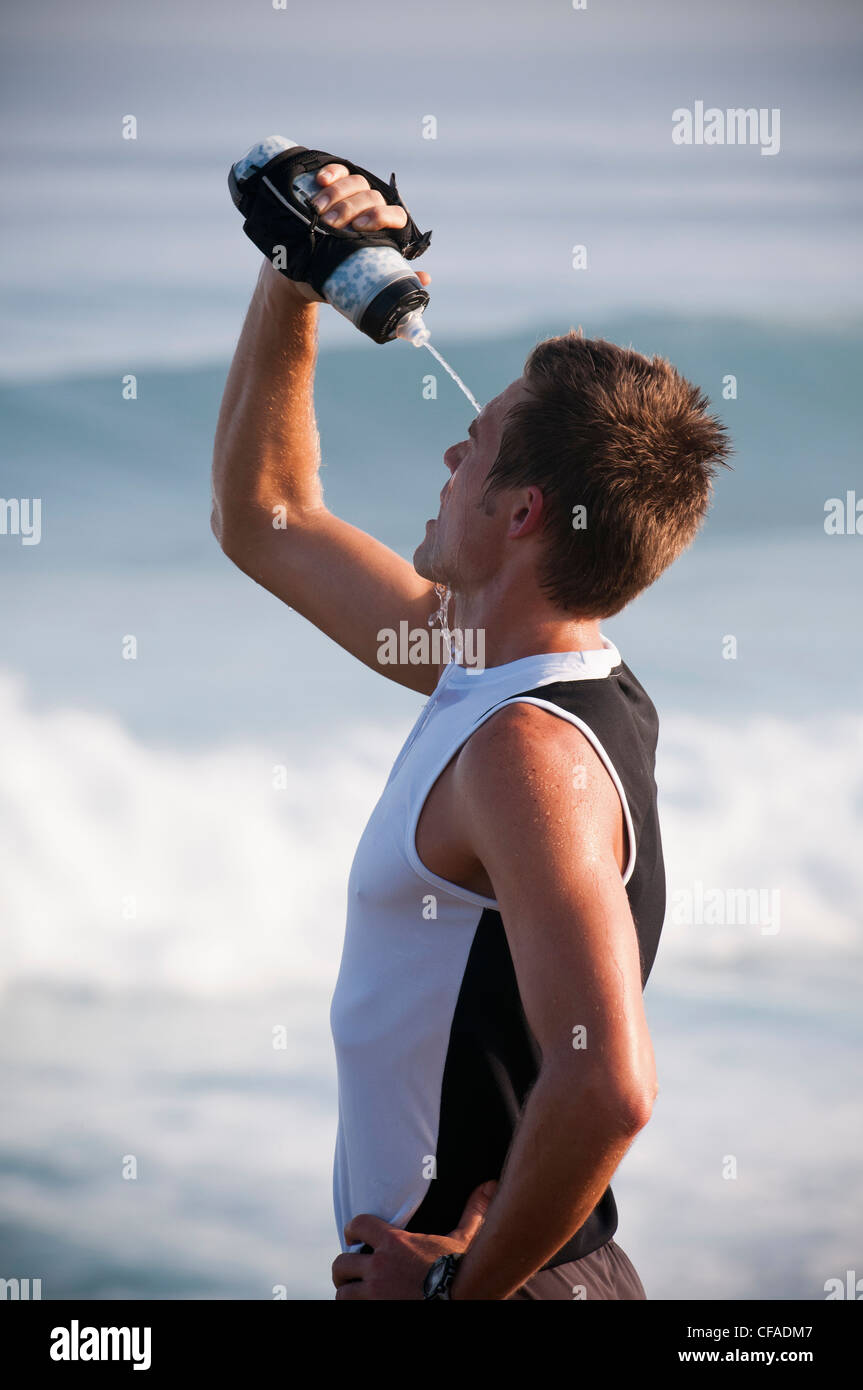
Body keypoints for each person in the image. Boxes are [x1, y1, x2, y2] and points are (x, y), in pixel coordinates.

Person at [211, 161, 730, 1300]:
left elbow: (607, 1087)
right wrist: (295, 277)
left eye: (475, 445)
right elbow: (268, 519)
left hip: (499, 1286)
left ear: (523, 513)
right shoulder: (489, 666)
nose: (449, 461)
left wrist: (458, 1293)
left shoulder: (524, 750)